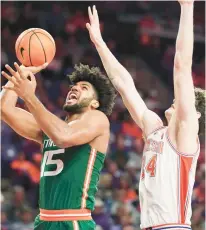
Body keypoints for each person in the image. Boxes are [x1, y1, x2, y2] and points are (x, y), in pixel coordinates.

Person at [86, 1, 205, 229]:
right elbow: (123, 83)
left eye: (186, 100)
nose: (177, 99)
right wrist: (100, 44)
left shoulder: (185, 136)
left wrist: (187, 7)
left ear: (195, 114)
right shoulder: (154, 127)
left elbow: (181, 66)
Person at [1, 62, 116, 230]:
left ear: (95, 103)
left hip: (73, 221)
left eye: (84, 88)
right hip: (44, 221)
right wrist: (21, 73)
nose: (74, 89)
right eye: (73, 87)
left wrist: (29, 96)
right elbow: (4, 109)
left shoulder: (98, 118)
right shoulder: (50, 129)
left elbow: (64, 137)